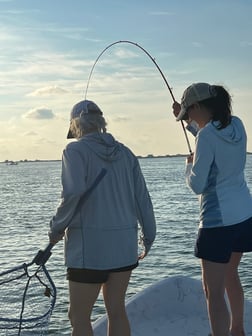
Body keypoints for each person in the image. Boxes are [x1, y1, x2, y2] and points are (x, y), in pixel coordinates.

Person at [48, 99, 156, 336]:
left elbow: (72, 193)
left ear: (76, 125)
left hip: (89, 251)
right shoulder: (126, 154)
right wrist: (149, 236)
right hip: (124, 247)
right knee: (116, 310)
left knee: (78, 316)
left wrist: (55, 229)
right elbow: (142, 199)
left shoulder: (74, 150)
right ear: (101, 123)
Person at [172, 82, 252, 336]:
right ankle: (237, 330)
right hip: (244, 216)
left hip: (217, 223)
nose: (189, 117)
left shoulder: (206, 136)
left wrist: (189, 165)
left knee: (213, 291)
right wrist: (189, 125)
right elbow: (213, 135)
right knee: (231, 275)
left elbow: (197, 184)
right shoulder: (237, 125)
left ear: (197, 106)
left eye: (189, 112)